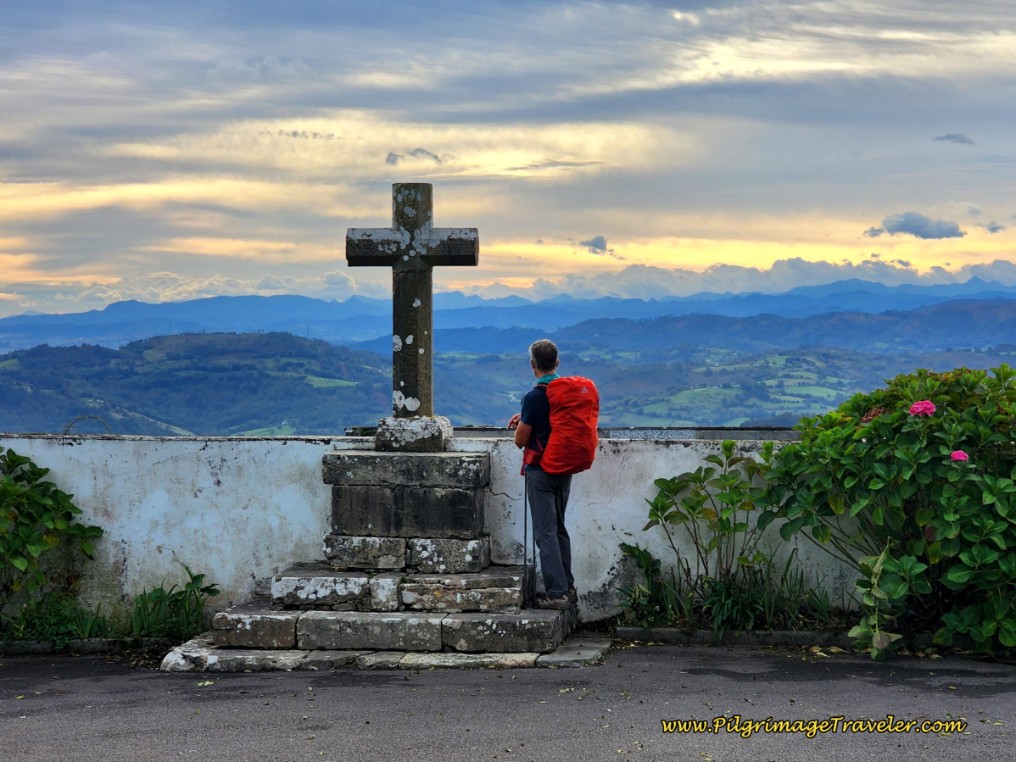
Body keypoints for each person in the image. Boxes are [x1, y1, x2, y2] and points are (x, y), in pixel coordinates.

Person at [507, 339, 576, 610]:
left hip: (541, 471)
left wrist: (523, 420)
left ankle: (557, 593)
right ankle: (567, 587)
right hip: (565, 467)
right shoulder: (565, 392)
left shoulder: (535, 396)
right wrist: (525, 414)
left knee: (545, 533)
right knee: (559, 529)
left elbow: (520, 440)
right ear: (557, 363)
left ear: (532, 364)